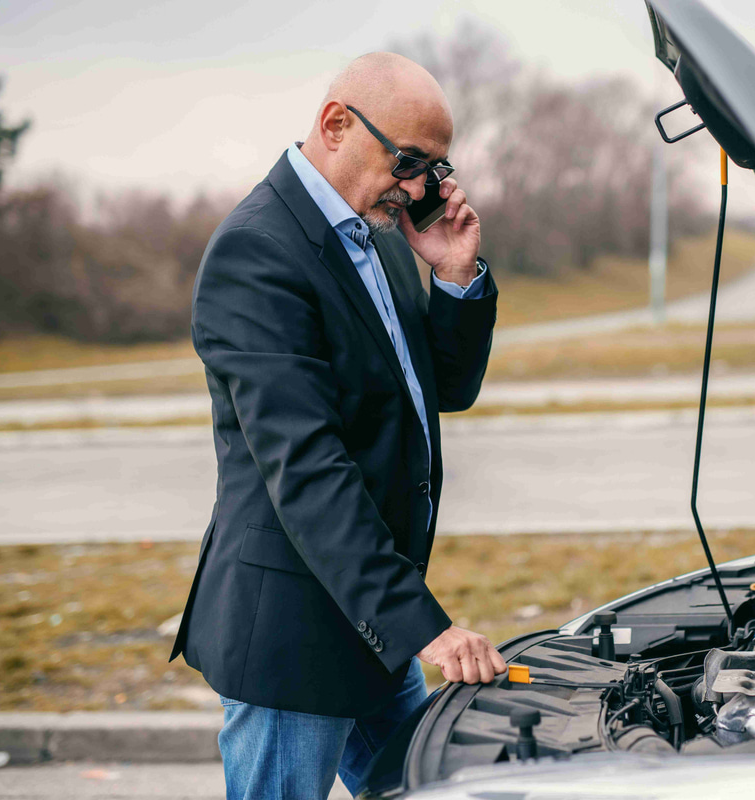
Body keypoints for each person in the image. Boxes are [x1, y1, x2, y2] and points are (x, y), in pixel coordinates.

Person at [168, 52, 506, 799]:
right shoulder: (257, 252)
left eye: (436, 169)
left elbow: (442, 390)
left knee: (430, 787)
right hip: (293, 633)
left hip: (368, 621)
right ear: (335, 125)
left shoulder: (379, 234)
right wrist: (426, 627)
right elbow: (309, 468)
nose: (420, 188)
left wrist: (451, 277)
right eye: (410, 161)